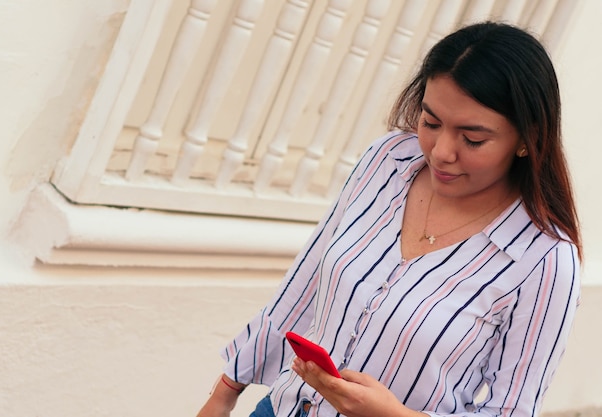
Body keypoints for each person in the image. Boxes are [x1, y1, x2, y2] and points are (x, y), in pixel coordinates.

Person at [196, 21, 581, 417]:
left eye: (472, 139)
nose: (441, 152)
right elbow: (303, 285)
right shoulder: (388, 161)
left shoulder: (545, 260)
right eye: (431, 122)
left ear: (527, 138)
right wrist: (225, 391)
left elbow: (512, 411)